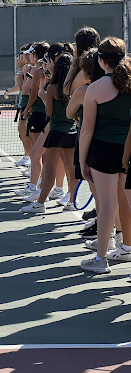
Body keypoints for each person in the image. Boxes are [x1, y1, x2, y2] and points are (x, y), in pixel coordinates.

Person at [79, 37, 131, 273]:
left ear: (101, 61)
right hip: (128, 148)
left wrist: (82, 160)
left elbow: (87, 129)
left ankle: (101, 260)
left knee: (107, 204)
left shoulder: (95, 88)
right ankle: (124, 248)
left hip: (103, 149)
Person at [21, 54, 78, 213]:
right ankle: (73, 200)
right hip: (71, 131)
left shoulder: (52, 88)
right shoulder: (74, 87)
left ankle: (40, 204)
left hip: (56, 131)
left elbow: (50, 112)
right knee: (71, 169)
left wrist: (43, 95)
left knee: (49, 169)